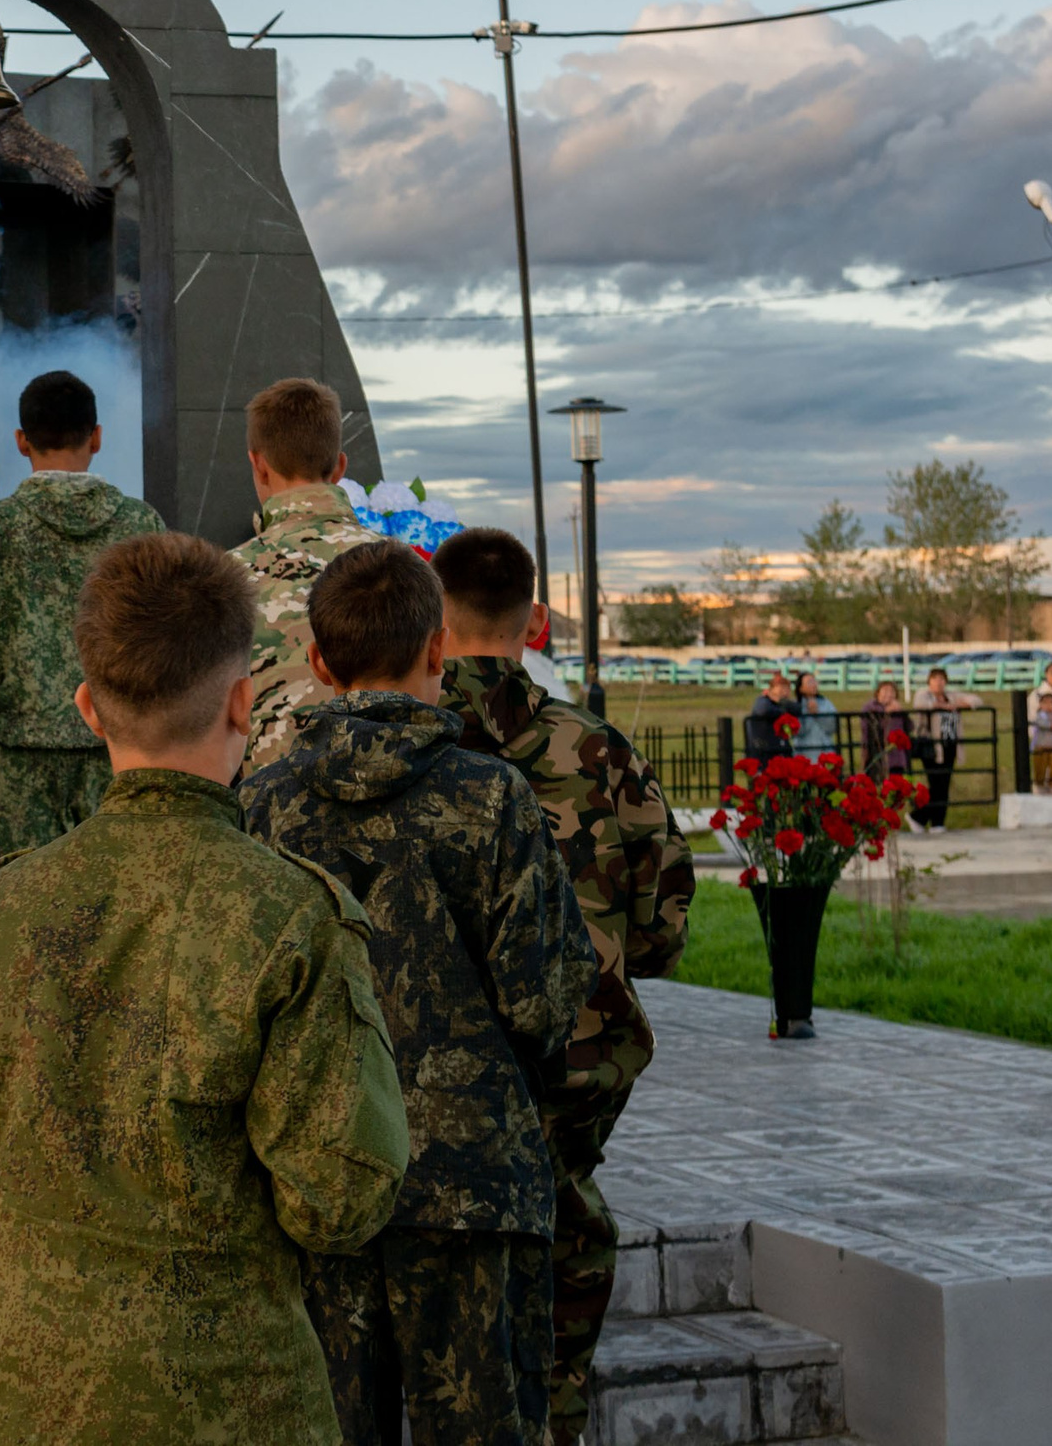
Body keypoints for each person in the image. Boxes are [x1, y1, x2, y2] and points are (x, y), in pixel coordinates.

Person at [0, 533, 408, 1445]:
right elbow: (340, 1196)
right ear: (243, 700)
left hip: (16, 1402)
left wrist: (38, 1259)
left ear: (86, 707)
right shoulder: (291, 916)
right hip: (233, 1405)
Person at [242, 539, 596, 1446]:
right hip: (475, 1189)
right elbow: (548, 1002)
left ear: (317, 663)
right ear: (439, 650)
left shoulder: (263, 806)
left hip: (321, 1183)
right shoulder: (493, 798)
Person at [429, 527, 694, 1446]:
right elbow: (662, 931)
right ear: (536, 620)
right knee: (559, 1270)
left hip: (429, 1103)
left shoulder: (396, 754)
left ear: (434, 620)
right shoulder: (600, 750)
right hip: (571, 1084)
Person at [0, 371, 162, 857]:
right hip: (119, 751)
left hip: (23, 756)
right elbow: (168, 626)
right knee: (116, 902)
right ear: (97, 437)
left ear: (22, 441)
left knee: (28, 910)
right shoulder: (140, 523)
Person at [229, 377, 381, 772]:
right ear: (340, 467)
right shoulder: (398, 569)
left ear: (258, 465)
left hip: (261, 818)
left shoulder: (225, 580)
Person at [909, 668, 982, 832]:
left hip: (950, 745)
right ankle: (919, 817)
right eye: (934, 679)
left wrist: (956, 704)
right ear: (929, 681)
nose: (938, 682)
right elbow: (920, 705)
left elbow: (976, 700)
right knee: (936, 784)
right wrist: (941, 705)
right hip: (932, 746)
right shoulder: (923, 694)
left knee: (944, 784)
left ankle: (936, 822)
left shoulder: (951, 695)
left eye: (941, 679)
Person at [860, 681, 913, 783]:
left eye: (892, 691)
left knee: (895, 785)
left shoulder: (897, 709)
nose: (888, 694)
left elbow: (910, 727)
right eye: (885, 691)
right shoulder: (870, 707)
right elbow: (869, 728)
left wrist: (902, 713)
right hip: (876, 753)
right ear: (878, 693)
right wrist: (886, 713)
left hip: (896, 756)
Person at [741, 670, 795, 762]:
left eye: (787, 689)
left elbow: (797, 709)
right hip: (762, 748)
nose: (784, 692)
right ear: (771, 689)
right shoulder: (763, 701)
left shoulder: (786, 704)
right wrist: (783, 711)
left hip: (780, 747)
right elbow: (763, 711)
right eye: (781, 688)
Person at [791, 671, 840, 761]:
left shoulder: (826, 703)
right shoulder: (795, 705)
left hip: (825, 752)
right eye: (810, 682)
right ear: (800, 688)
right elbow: (797, 731)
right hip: (804, 753)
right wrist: (806, 712)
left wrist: (818, 714)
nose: (814, 685)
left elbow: (833, 727)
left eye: (814, 681)